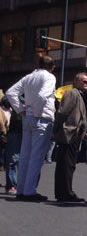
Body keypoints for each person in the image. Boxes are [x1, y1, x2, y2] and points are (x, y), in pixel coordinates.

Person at [5, 55, 57, 201]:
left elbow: (10, 92)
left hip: (27, 117)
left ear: (38, 64)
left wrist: (21, 110)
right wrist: (37, 112)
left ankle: (21, 189)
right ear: (52, 67)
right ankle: (29, 191)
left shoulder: (29, 76)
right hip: (41, 118)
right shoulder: (50, 77)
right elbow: (42, 96)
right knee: (37, 157)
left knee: (25, 155)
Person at [53, 72, 87, 203]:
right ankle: (66, 193)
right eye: (84, 82)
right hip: (69, 134)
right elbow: (62, 112)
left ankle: (64, 192)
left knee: (68, 165)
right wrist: (56, 128)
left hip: (73, 135)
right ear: (76, 81)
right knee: (66, 165)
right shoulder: (72, 93)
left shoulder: (78, 95)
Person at [2, 97, 20, 194]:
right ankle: (11, 185)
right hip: (14, 131)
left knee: (22, 160)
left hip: (26, 131)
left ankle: (20, 184)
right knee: (13, 159)